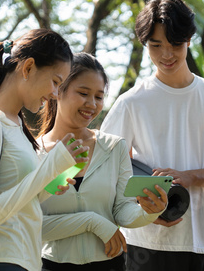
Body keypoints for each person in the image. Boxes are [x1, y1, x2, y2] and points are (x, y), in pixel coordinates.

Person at [100, 0, 204, 271]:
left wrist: (191, 177)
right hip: (145, 243)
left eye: (175, 44)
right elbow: (105, 168)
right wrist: (142, 210)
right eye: (156, 46)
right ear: (145, 45)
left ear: (189, 41)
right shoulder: (131, 102)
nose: (166, 55)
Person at [0, 29, 89, 271]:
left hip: (25, 260)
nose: (55, 94)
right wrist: (49, 167)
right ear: (29, 67)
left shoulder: (17, 124)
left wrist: (54, 177)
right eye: (55, 81)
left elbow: (21, 197)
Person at [38, 52, 168, 271]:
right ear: (58, 90)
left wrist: (149, 211)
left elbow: (122, 211)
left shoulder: (114, 147)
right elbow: (34, 225)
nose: (91, 104)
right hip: (51, 266)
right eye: (83, 93)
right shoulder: (35, 152)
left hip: (110, 265)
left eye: (99, 97)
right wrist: (93, 222)